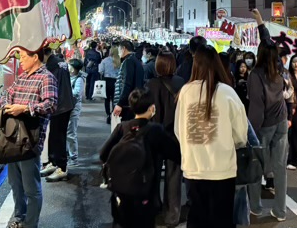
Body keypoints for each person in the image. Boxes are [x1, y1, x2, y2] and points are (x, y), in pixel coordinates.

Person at [175, 44, 248, 228]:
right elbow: (241, 132)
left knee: (197, 219)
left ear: (195, 65)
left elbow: (178, 129)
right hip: (222, 170)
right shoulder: (227, 92)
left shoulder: (185, 91)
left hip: (193, 168)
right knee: (222, 220)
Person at [100, 88, 181, 228]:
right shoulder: (155, 130)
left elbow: (103, 154)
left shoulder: (122, 127)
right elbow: (176, 154)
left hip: (121, 193)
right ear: (151, 108)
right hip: (146, 194)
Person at [0, 45, 57, 228]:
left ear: (35, 57)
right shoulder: (22, 77)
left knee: (31, 189)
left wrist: (24, 108)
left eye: (23, 57)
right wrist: (4, 104)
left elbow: (51, 105)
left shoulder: (46, 78)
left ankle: (31, 224)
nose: (21, 60)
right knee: (15, 184)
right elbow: (8, 94)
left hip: (30, 141)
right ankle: (19, 218)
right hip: (13, 139)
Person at [246, 8, 289, 222]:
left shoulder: (256, 75)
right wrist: (260, 22)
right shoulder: (279, 68)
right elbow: (269, 44)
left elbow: (256, 109)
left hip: (264, 125)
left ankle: (256, 207)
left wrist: (248, 133)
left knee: (255, 165)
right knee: (280, 168)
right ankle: (280, 211)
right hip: (281, 121)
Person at [146, 52, 185, 227]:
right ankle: (172, 215)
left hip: (155, 136)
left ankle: (153, 209)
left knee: (153, 174)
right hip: (175, 137)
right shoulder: (182, 83)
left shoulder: (151, 84)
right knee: (174, 176)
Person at [41, 46, 75, 182]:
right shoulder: (60, 62)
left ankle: (62, 167)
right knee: (54, 135)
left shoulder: (52, 66)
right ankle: (54, 162)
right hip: (65, 103)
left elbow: (51, 86)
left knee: (58, 136)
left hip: (60, 105)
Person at [113, 40, 145, 121]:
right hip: (134, 102)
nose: (118, 52)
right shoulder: (136, 61)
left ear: (124, 49)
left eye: (119, 50)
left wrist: (120, 103)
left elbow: (127, 83)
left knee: (126, 130)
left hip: (127, 104)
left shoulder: (128, 62)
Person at [67, 58, 85, 166]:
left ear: (73, 68)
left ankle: (73, 158)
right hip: (68, 107)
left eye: (69, 65)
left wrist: (66, 90)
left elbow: (77, 93)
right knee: (67, 132)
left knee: (71, 133)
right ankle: (69, 155)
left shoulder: (79, 79)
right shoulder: (71, 76)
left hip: (74, 108)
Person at [99, 45, 121, 124]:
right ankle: (113, 113)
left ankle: (108, 114)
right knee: (115, 99)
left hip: (107, 81)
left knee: (107, 99)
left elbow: (100, 70)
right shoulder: (119, 61)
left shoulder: (105, 60)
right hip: (116, 81)